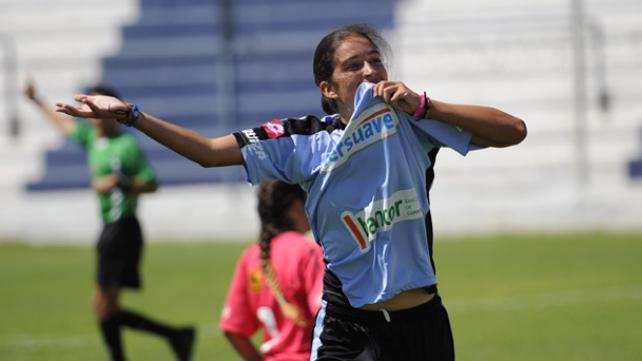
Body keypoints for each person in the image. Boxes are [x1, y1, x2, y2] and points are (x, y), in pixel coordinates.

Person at [56, 23, 527, 361]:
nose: (368, 70)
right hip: (350, 328)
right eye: (353, 65)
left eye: (375, 60)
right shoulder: (303, 141)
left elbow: (514, 131)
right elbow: (207, 151)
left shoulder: (415, 122)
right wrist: (130, 115)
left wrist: (426, 105)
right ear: (328, 87)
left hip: (423, 325)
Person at [25, 80, 195, 361]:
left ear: (111, 111)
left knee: (102, 306)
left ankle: (168, 339)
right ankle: (176, 336)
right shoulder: (93, 137)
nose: (89, 112)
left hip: (123, 227)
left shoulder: (126, 144)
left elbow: (152, 183)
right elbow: (62, 124)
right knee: (106, 307)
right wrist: (36, 100)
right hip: (110, 227)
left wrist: (119, 182)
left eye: (94, 106)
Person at [220, 180, 324, 361]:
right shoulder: (307, 251)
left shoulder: (251, 257)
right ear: (293, 206)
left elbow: (233, 329)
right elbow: (323, 313)